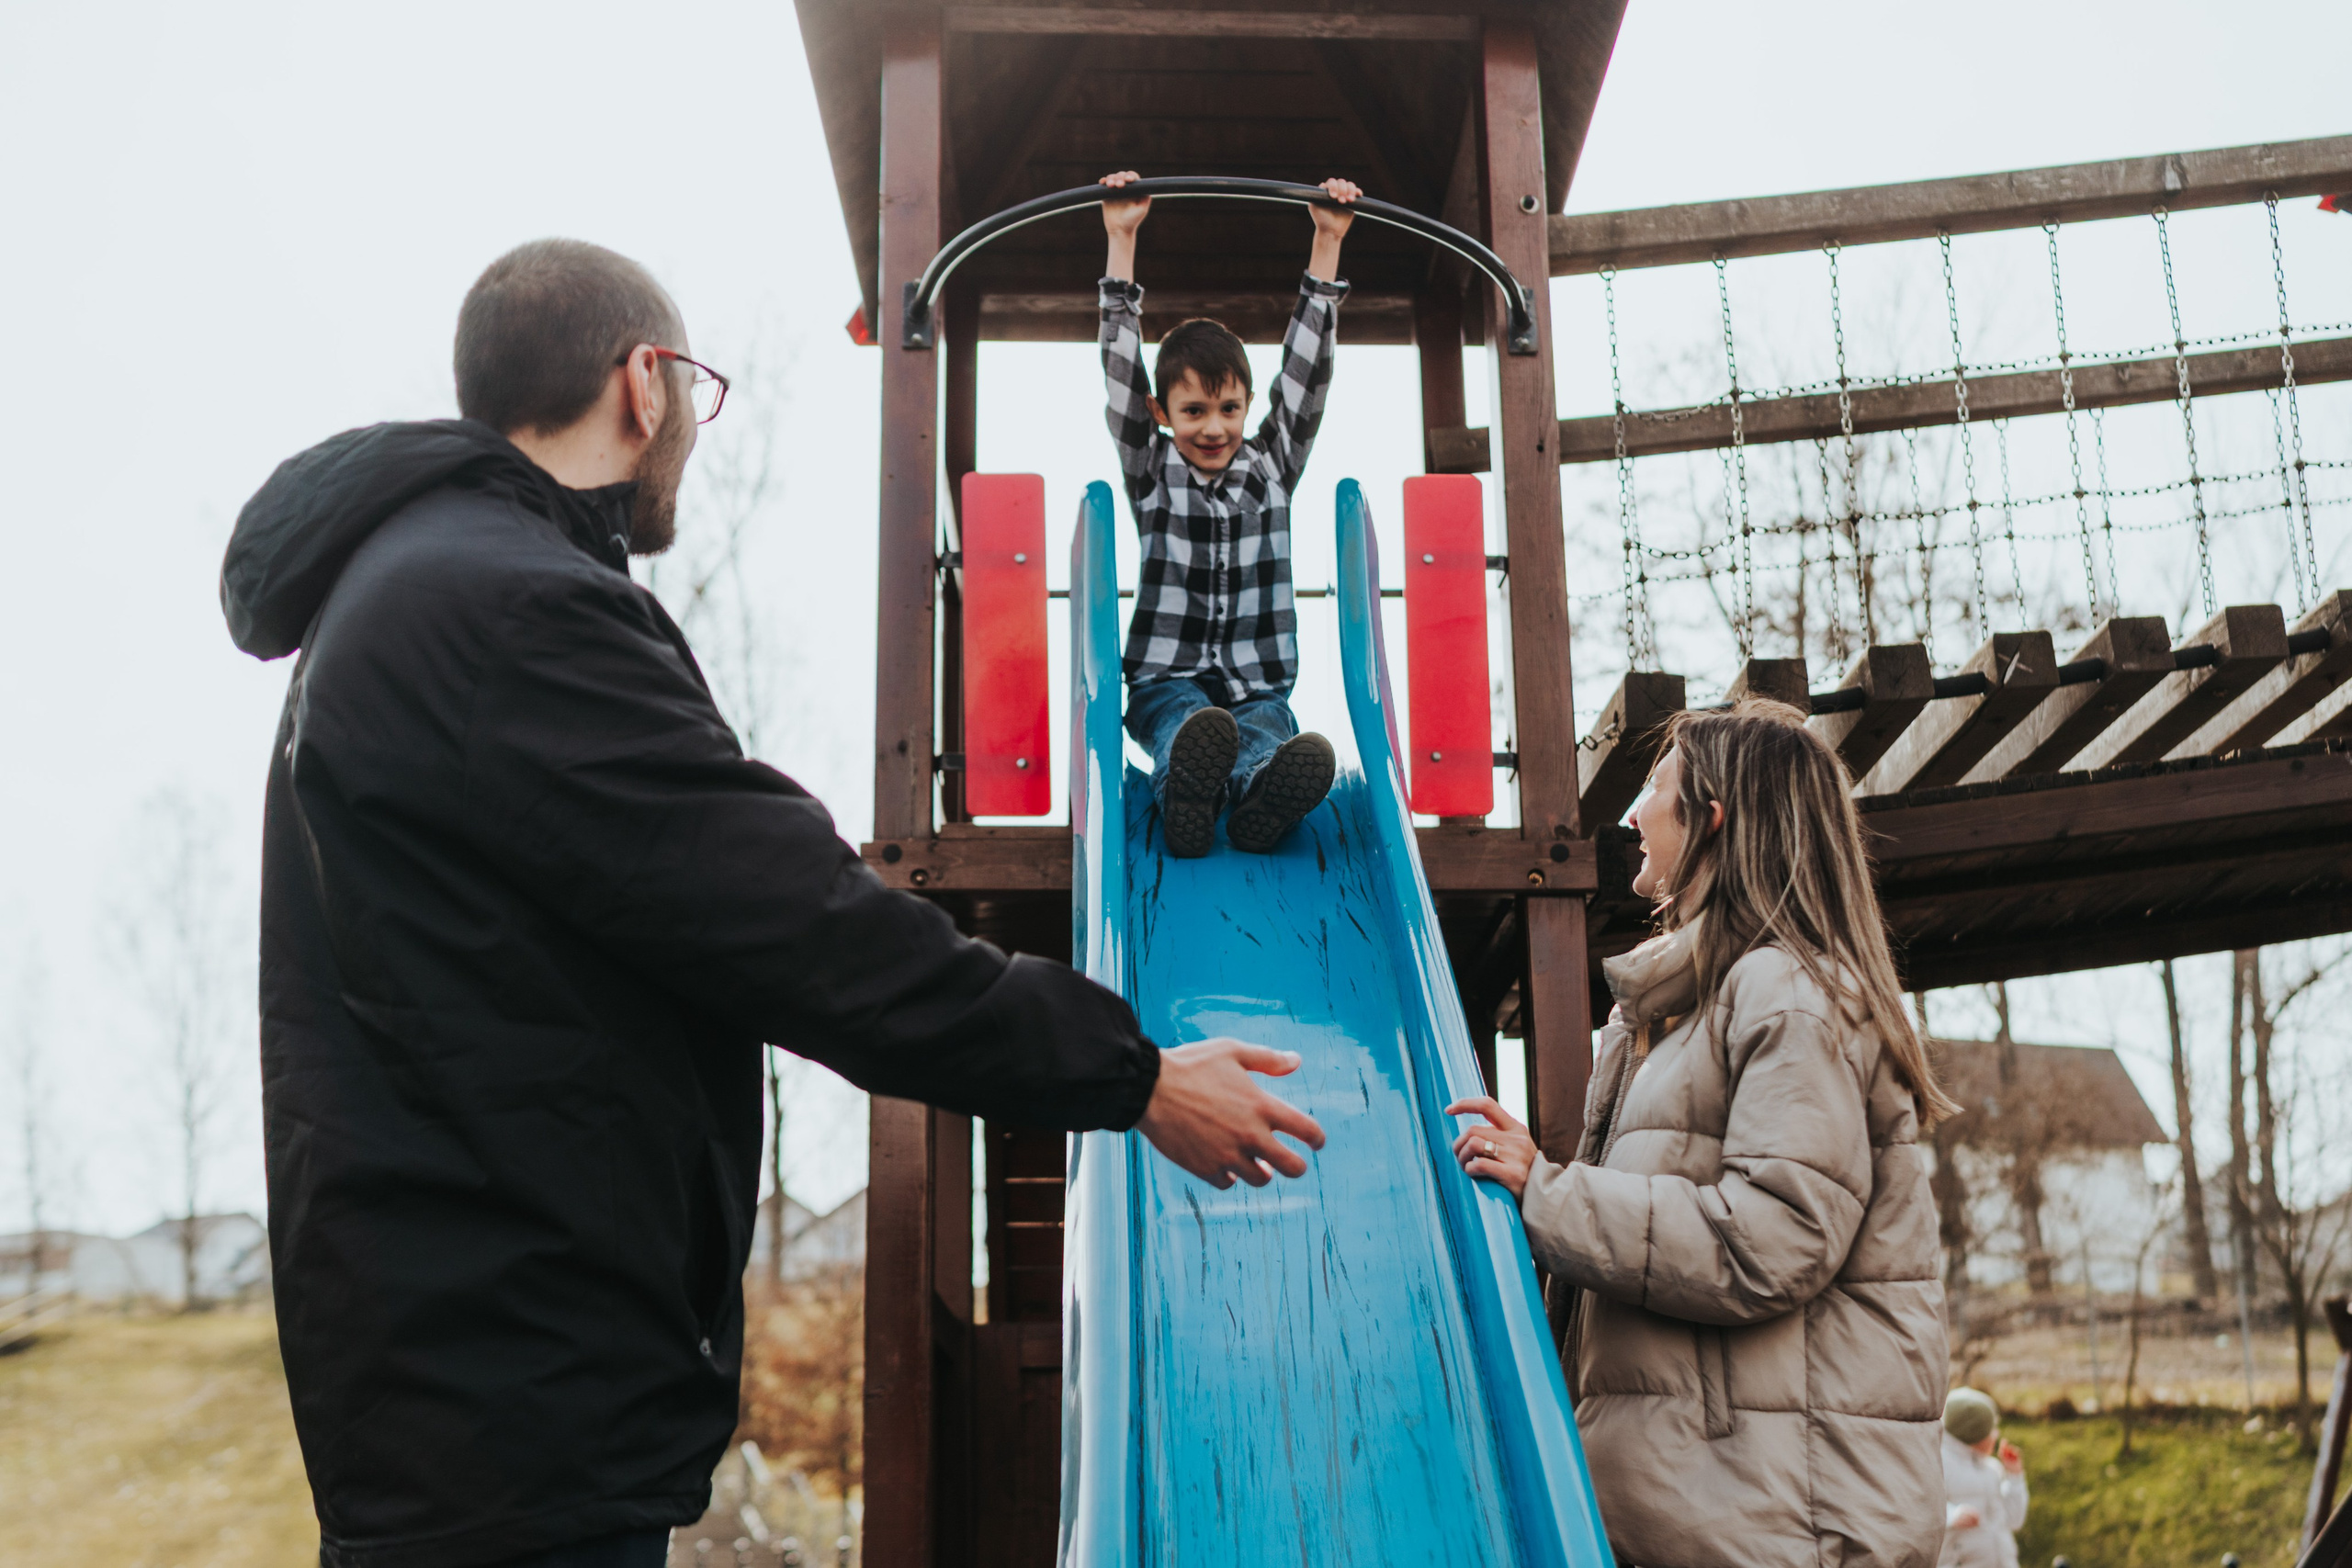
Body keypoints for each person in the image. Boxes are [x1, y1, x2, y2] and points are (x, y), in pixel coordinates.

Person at [218, 238, 1326, 1568]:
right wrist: (1131, 1072)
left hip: (468, 1376)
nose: (690, 423)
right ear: (645, 382)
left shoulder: (414, 595)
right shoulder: (510, 610)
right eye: (696, 388)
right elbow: (801, 928)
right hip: (514, 1392)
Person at [1446, 699, 1961, 1568]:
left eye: (1654, 786)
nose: (1633, 813)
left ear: (1710, 818)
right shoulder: (1682, 1008)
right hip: (1717, 1508)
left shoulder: (1786, 994)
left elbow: (1776, 1234)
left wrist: (1550, 1191)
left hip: (1776, 1520)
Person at [1097, 169, 1358, 857]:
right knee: (1190, 726)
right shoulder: (1152, 469)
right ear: (1161, 413)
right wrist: (1121, 238)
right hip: (1165, 681)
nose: (1213, 427)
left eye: (1229, 409)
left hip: (1257, 687)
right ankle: (1187, 791)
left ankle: (1258, 799)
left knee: (1266, 735)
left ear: (1247, 404)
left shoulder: (1270, 466)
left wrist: (1325, 243)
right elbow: (1121, 372)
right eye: (1192, 411)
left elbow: (1305, 380)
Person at [1939, 1388, 2029, 1568]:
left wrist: (2015, 1476)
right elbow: (1922, 1509)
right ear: (1971, 1433)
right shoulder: (1940, 1466)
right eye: (1990, 1429)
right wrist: (1951, 1516)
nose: (1996, 1434)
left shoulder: (1992, 1469)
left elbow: (2014, 1519)